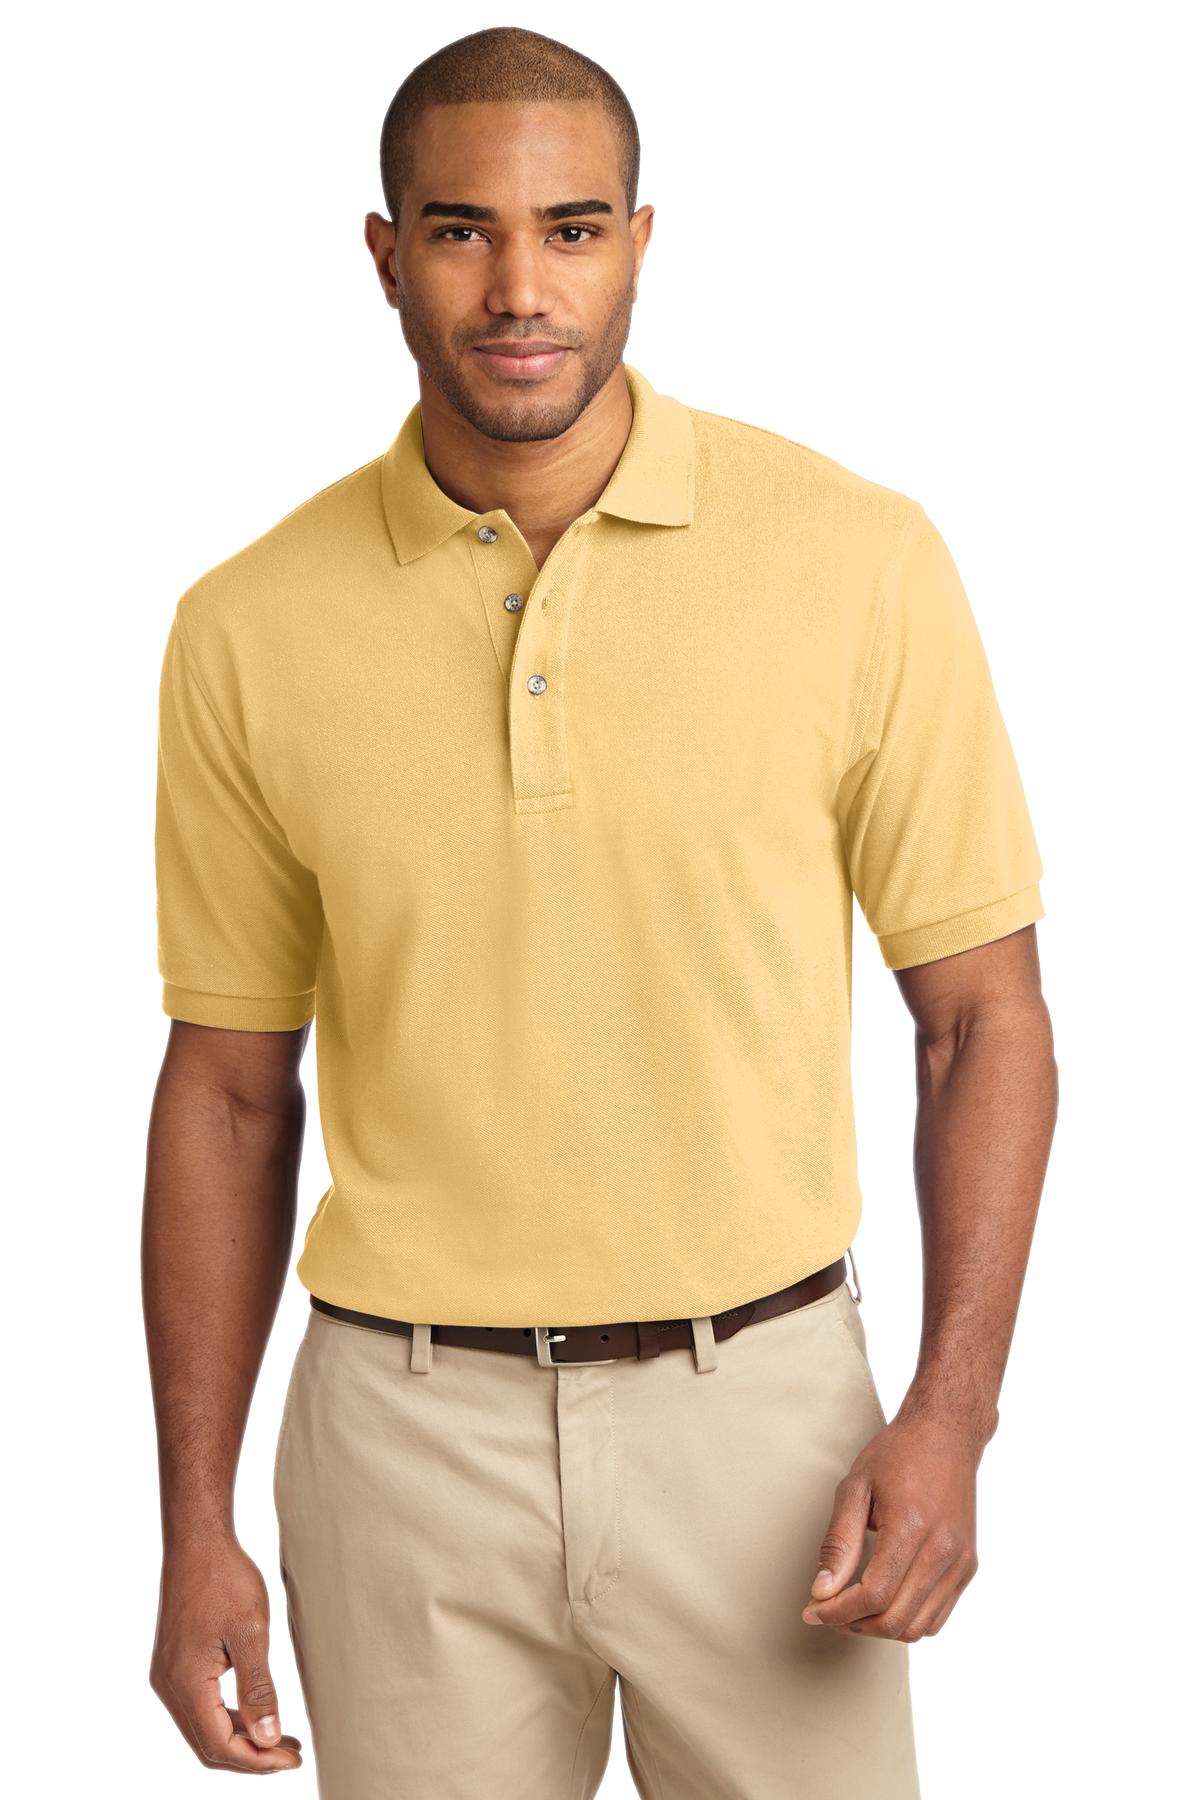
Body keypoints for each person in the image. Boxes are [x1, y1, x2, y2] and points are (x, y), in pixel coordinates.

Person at [143, 24, 1058, 1798]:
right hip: (401, 1445)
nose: (518, 288)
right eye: (461, 230)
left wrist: (953, 1413)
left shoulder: (858, 561)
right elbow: (229, 1091)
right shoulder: (245, 627)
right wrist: (193, 1525)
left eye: (570, 229)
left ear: (639, 241)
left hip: (770, 1429)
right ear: (385, 254)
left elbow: (983, 1018)